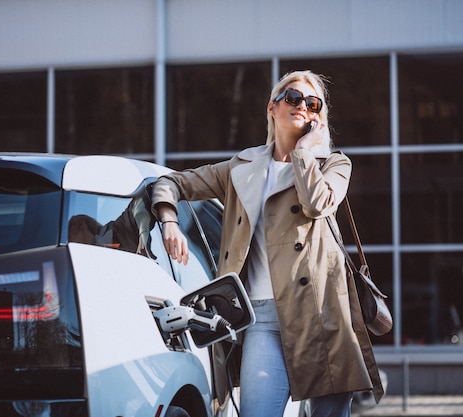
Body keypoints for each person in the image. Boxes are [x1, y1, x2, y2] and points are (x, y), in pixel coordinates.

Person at [151, 70, 384, 417]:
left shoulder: (334, 164)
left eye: (312, 103)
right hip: (261, 317)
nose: (302, 106)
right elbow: (172, 183)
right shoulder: (240, 167)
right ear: (271, 108)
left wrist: (305, 153)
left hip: (323, 317)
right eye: (293, 97)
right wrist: (169, 220)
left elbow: (318, 203)